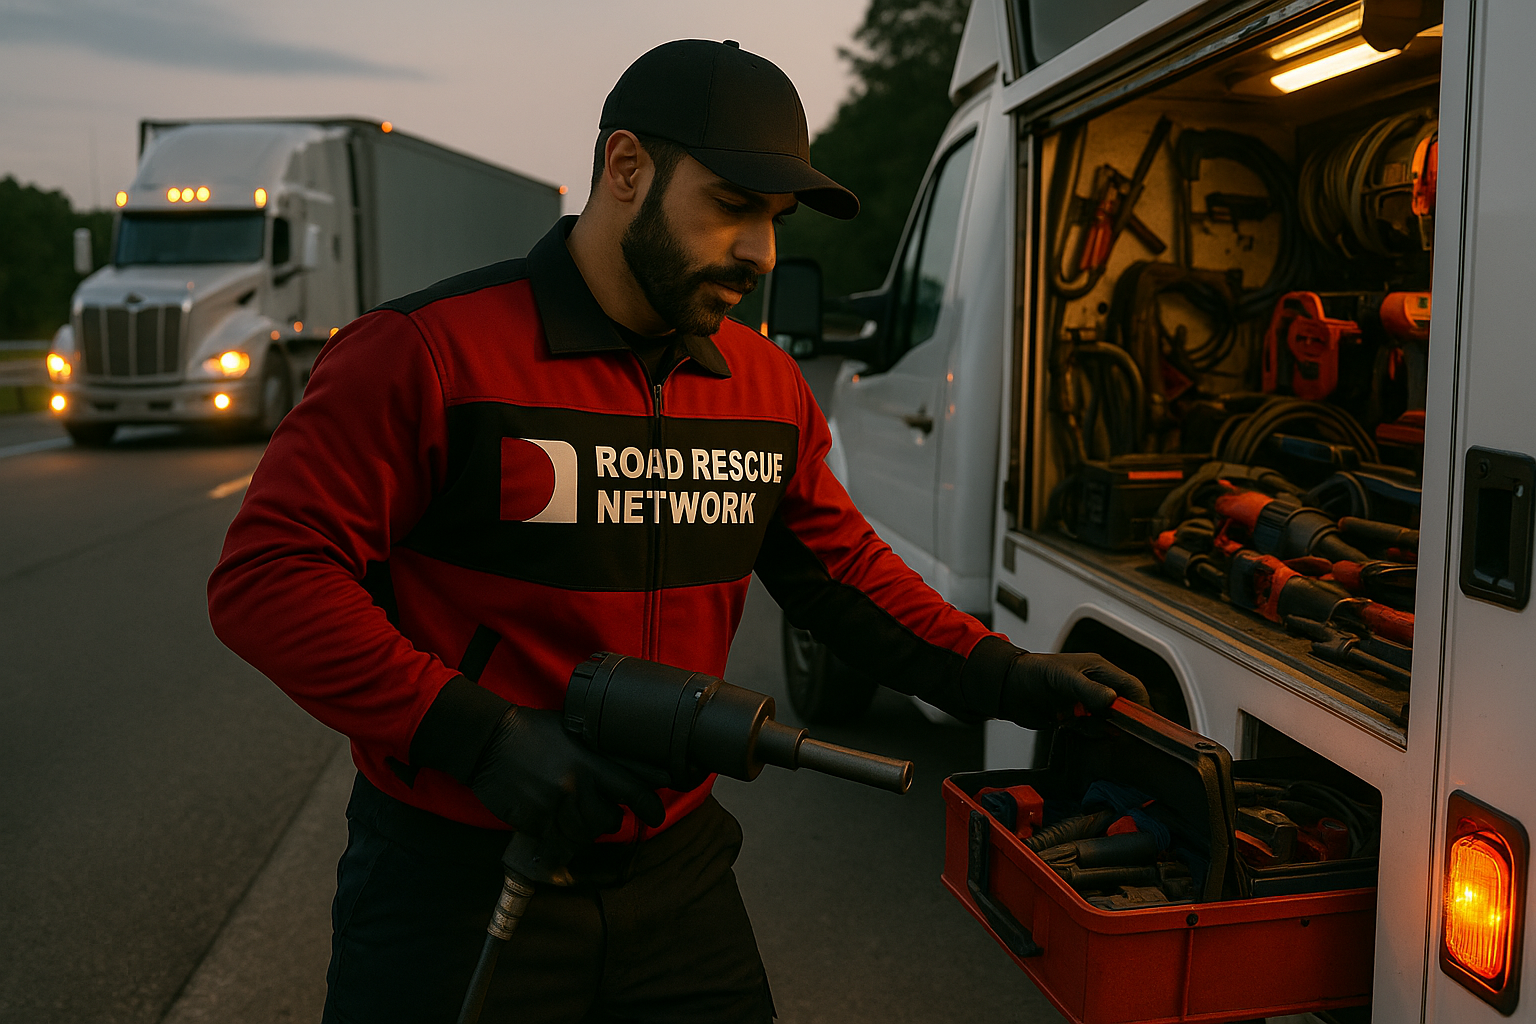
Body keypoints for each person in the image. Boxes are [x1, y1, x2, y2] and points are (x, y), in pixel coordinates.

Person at [207, 38, 1149, 1024]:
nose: (763, 252)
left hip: (675, 878)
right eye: (733, 206)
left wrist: (1005, 674)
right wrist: (479, 738)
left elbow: (844, 574)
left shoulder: (764, 385)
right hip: (454, 877)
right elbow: (269, 575)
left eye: (776, 220)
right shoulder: (427, 354)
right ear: (626, 170)